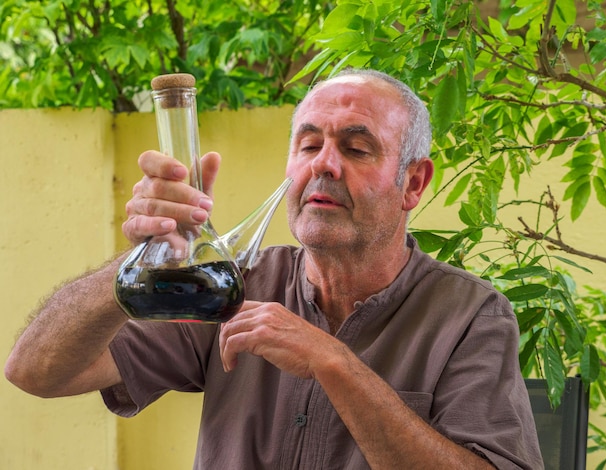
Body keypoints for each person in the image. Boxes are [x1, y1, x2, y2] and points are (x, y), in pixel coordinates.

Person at [5, 68, 543, 469]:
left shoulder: (470, 317)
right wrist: (142, 258)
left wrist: (334, 365)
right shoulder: (233, 288)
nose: (323, 165)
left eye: (356, 148)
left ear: (414, 184)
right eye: (309, 145)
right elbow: (36, 371)